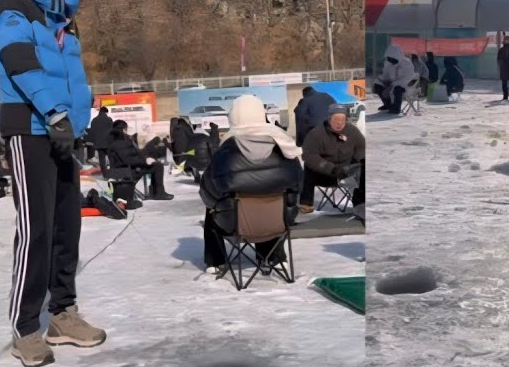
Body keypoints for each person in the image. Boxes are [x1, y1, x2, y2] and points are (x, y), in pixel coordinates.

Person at [0, 0, 102, 367]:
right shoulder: (15, 7)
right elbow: (20, 63)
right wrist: (54, 112)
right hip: (31, 128)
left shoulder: (64, 16)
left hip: (62, 131)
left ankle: (63, 314)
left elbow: (73, 73)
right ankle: (25, 328)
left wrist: (78, 117)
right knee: (36, 229)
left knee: (65, 228)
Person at [200, 95, 303, 277]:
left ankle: (216, 261)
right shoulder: (284, 145)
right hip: (278, 223)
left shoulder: (226, 151)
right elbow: (298, 186)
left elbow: (207, 193)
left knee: (211, 210)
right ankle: (274, 257)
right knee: (277, 199)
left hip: (235, 224)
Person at [299, 104, 365, 213]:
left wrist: (355, 163)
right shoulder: (316, 134)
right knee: (308, 167)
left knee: (365, 167)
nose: (339, 122)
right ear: (329, 119)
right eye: (336, 119)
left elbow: (362, 148)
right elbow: (310, 156)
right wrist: (331, 168)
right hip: (325, 175)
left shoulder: (352, 131)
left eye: (342, 119)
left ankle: (360, 204)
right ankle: (306, 202)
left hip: (348, 174)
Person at [106, 120, 175, 203]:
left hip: (120, 171)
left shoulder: (114, 140)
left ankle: (156, 192)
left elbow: (131, 155)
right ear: (124, 129)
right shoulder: (120, 142)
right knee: (158, 166)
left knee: (155, 162)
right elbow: (128, 160)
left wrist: (144, 158)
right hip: (126, 172)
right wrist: (145, 161)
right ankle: (158, 193)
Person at [372, 44, 417, 114]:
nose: (390, 60)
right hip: (391, 84)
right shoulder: (388, 63)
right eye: (389, 58)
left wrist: (391, 86)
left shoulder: (407, 64)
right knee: (377, 85)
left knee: (397, 89)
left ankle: (396, 108)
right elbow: (385, 75)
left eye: (392, 58)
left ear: (397, 57)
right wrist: (382, 80)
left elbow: (406, 79)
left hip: (405, 85)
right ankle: (388, 105)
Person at [87, 106, 113, 173]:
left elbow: (92, 132)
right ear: (105, 112)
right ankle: (112, 172)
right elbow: (112, 131)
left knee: (102, 159)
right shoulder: (109, 119)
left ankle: (104, 174)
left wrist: (93, 141)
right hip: (108, 143)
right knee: (111, 158)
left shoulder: (94, 120)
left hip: (98, 143)